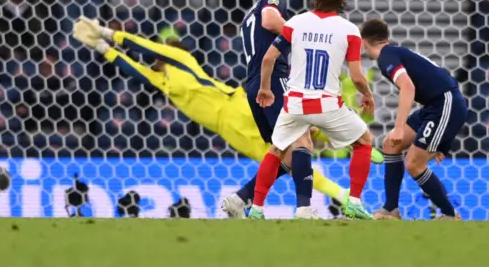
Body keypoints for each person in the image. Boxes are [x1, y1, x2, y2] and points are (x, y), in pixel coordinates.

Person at [70, 15, 354, 211]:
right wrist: (101, 48)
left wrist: (111, 34)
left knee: (295, 141)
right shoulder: (163, 81)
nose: (155, 62)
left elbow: (145, 47)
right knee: (285, 162)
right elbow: (135, 70)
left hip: (237, 106)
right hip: (229, 129)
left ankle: (328, 139)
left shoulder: (181, 59)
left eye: (159, 57)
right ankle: (337, 196)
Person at [250, 0, 376, 220]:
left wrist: (265, 89)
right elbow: (357, 76)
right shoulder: (349, 30)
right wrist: (367, 95)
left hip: (294, 103)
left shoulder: (296, 23)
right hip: (328, 105)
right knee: (364, 141)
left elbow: (268, 58)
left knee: (276, 150)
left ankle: (256, 208)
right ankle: (354, 202)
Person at [360, 18, 468, 220]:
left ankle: (450, 214)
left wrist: (400, 127)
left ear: (363, 41)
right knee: (390, 145)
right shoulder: (396, 52)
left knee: (414, 164)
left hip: (445, 104)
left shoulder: (386, 57)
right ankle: (391, 209)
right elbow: (440, 78)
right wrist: (444, 143)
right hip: (438, 105)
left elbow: (408, 87)